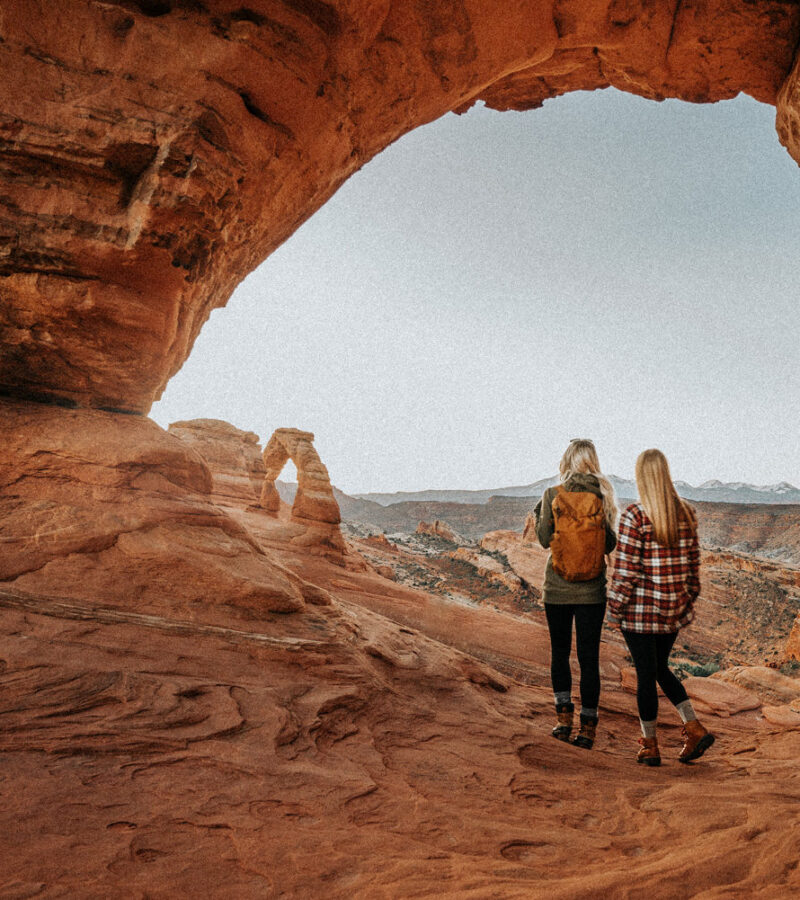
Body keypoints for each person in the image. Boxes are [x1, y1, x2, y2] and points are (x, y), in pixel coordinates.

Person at [607, 448, 715, 767]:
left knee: (645, 675)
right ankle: (693, 727)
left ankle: (650, 745)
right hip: (672, 612)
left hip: (640, 613)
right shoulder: (686, 513)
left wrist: (615, 608)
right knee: (658, 669)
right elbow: (693, 566)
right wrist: (686, 599)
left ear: (642, 477)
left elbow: (626, 571)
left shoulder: (634, 515)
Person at [534, 439, 618, 750]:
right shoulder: (602, 496)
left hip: (557, 589)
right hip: (592, 593)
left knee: (560, 653)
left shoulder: (552, 495)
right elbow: (608, 545)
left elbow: (544, 539)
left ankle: (562, 721)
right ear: (592, 462)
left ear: (566, 462)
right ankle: (588, 729)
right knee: (588, 659)